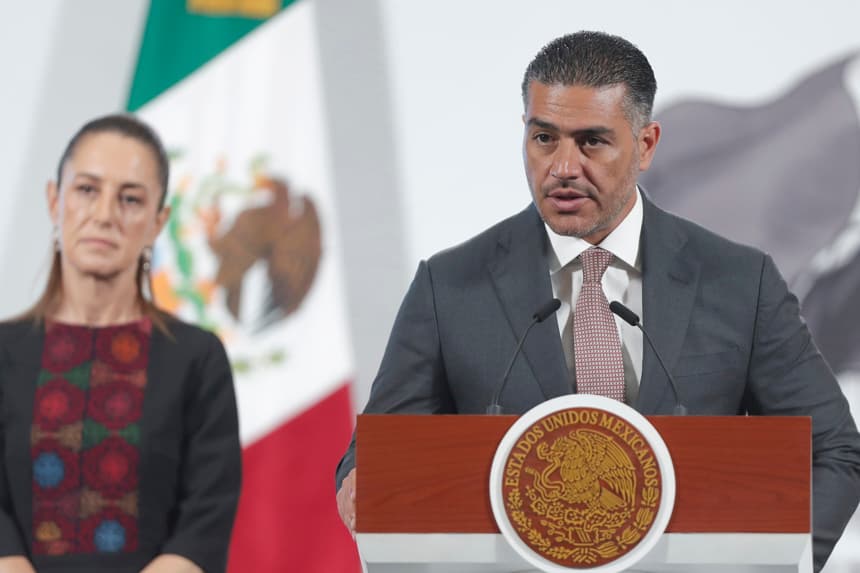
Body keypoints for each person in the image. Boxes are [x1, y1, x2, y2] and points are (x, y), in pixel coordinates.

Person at [335, 31, 860, 572]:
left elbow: (834, 451)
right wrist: (363, 484)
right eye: (545, 138)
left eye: (591, 141)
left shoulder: (737, 281)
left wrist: (780, 562)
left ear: (647, 144)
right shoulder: (449, 286)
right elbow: (376, 458)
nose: (563, 166)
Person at [0, 115, 242, 573]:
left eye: (130, 199)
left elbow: (204, 523)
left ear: (158, 221)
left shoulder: (198, 359)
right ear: (55, 201)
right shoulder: (3, 352)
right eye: (87, 190)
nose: (106, 214)